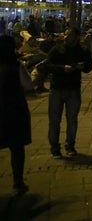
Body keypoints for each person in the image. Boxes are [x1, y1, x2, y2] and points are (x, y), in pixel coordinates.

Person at [45, 27, 92, 158]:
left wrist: (83, 66)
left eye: (70, 35)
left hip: (73, 88)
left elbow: (89, 66)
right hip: (57, 88)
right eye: (66, 34)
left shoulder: (82, 50)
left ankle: (70, 145)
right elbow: (47, 64)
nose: (66, 36)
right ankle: (55, 147)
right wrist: (62, 68)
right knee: (54, 120)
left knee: (72, 120)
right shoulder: (58, 49)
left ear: (77, 37)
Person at [0, 36, 32, 195]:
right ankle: (17, 182)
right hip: (14, 111)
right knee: (17, 148)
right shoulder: (16, 66)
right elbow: (28, 85)